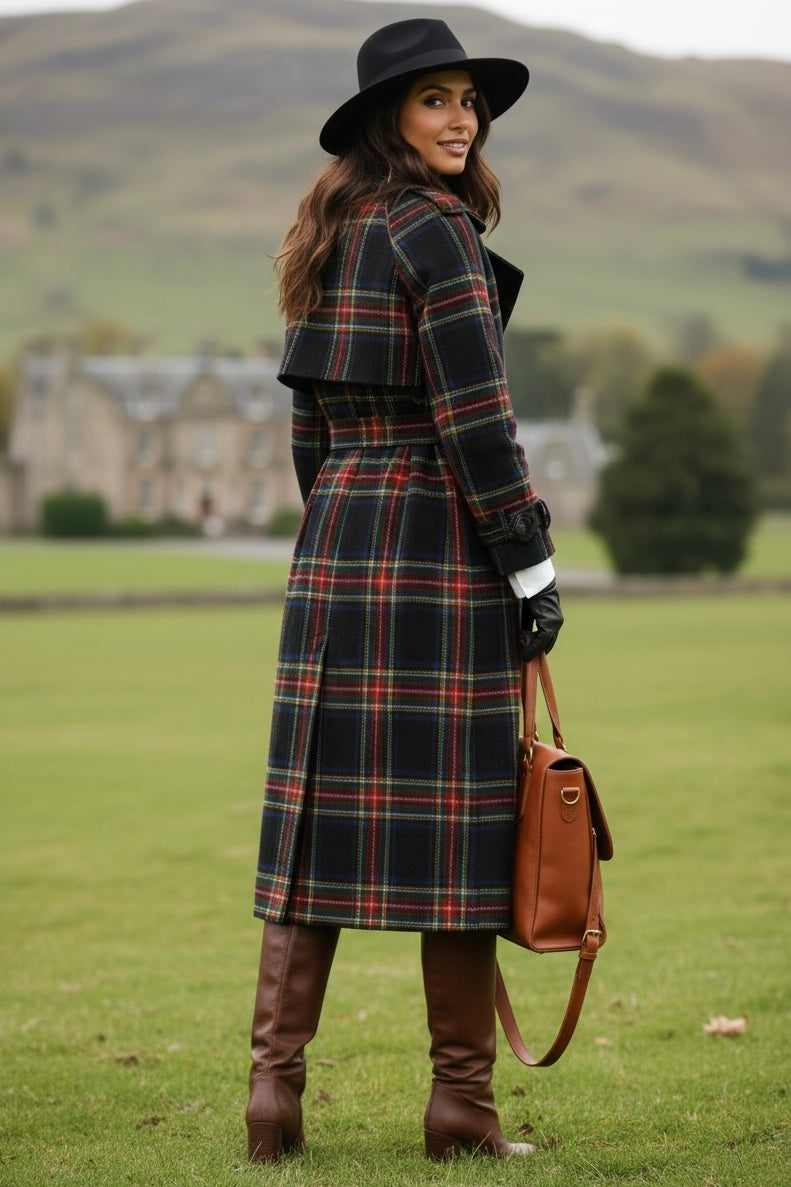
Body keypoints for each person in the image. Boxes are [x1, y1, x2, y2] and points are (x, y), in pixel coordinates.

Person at [246, 17, 563, 1163]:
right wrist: (527, 563)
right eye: (434, 100)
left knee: (311, 825)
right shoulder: (438, 231)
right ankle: (459, 1110)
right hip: (437, 545)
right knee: (462, 831)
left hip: (336, 545)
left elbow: (305, 424)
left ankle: (272, 1099)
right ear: (391, 117)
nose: (460, 119)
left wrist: (341, 517)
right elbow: (479, 421)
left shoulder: (329, 228)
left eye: (467, 101)